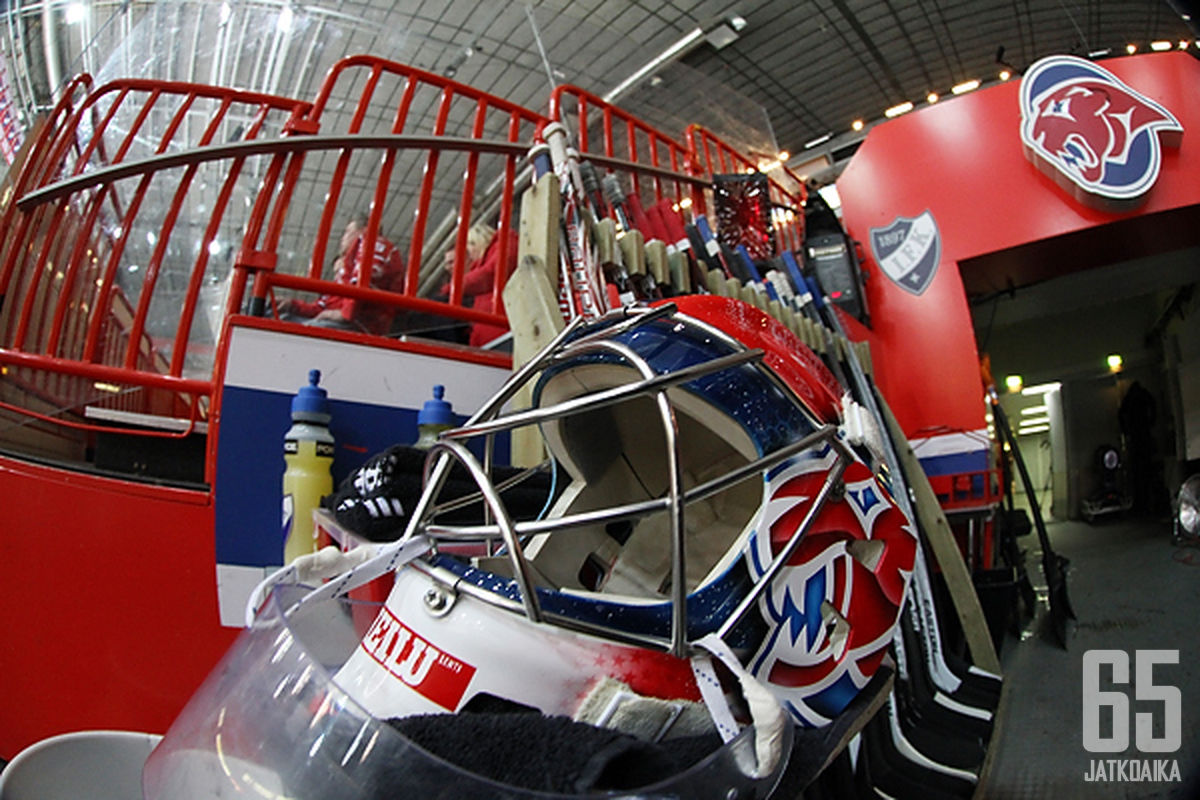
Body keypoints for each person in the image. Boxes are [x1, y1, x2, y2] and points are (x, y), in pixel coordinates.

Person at [280, 213, 404, 335]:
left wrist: (344, 314)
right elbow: (324, 306)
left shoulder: (373, 243)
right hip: (348, 323)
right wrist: (294, 305)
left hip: (358, 327)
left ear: (363, 230)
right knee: (282, 318)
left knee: (297, 331)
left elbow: (363, 282)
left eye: (347, 231)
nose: (342, 238)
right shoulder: (350, 264)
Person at [443, 222, 514, 348]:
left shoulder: (505, 243)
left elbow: (492, 272)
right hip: (491, 339)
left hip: (504, 334)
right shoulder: (480, 266)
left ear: (480, 240)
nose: (469, 251)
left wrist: (453, 288)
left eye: (471, 244)